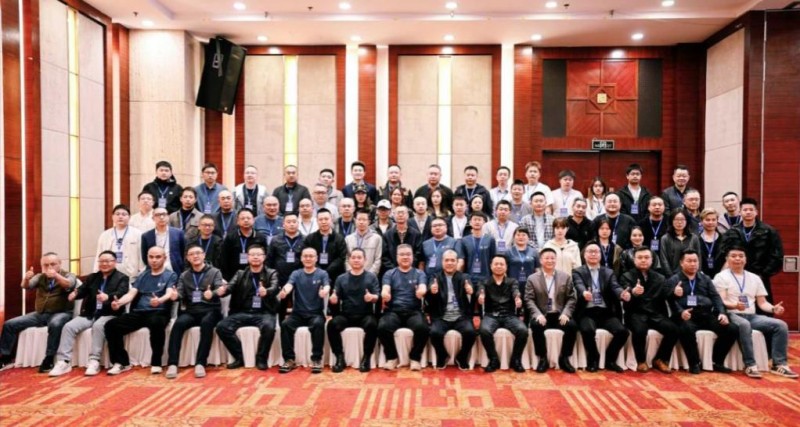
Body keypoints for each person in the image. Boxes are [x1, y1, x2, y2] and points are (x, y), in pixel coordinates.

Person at [713, 246, 798, 379]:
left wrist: (773, 308)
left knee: (780, 325)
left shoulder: (755, 278)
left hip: (752, 316)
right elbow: (722, 301)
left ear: (746, 259)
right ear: (727, 259)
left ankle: (779, 364)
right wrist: (735, 305)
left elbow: (762, 303)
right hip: (732, 314)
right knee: (744, 324)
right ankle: (750, 365)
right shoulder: (721, 277)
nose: (737, 259)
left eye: (741, 256)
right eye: (733, 256)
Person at [48, 251, 129, 377]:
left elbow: (122, 292)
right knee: (69, 327)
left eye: (108, 261)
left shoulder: (122, 278)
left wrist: (108, 297)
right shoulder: (93, 277)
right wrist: (75, 294)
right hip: (90, 313)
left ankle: (94, 360)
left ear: (115, 262)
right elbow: (82, 290)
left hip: (109, 314)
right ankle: (63, 361)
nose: (104, 264)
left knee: (98, 326)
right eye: (102, 261)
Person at [104, 246, 179, 375]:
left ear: (164, 258)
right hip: (139, 312)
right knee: (111, 325)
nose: (154, 260)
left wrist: (159, 300)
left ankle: (156, 362)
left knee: (156, 324)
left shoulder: (170, 275)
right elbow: (131, 294)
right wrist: (119, 303)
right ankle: (121, 362)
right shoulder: (143, 275)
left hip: (159, 311)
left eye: (158, 257)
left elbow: (169, 293)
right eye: (151, 257)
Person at [0, 253, 76, 372]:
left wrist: (56, 276)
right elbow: (25, 286)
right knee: (9, 324)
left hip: (62, 312)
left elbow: (69, 284)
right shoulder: (40, 276)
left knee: (55, 324)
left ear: (60, 264)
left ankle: (49, 358)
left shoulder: (68, 275)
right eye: (45, 265)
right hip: (40, 313)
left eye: (53, 264)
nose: (49, 267)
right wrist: (26, 278)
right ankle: (6, 358)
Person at [667, 249, 738, 374]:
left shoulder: (705, 279)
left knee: (731, 329)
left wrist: (722, 313)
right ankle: (694, 363)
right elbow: (670, 300)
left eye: (695, 261)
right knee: (686, 329)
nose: (693, 264)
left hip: (705, 314)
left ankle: (717, 362)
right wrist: (680, 311)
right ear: (681, 263)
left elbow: (715, 297)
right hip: (685, 315)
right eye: (689, 261)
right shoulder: (674, 279)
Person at [215, 244, 279, 370]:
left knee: (269, 327)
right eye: (252, 254)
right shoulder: (240, 274)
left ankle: (261, 358)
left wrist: (267, 291)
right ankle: (239, 357)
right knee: (222, 327)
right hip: (242, 312)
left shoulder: (272, 273)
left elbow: (275, 287)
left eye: (258, 254)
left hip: (264, 312)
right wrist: (223, 291)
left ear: (264, 257)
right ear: (247, 257)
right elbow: (230, 287)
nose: (255, 257)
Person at [165, 244, 224, 379]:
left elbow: (219, 288)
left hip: (211, 309)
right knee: (178, 324)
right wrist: (175, 296)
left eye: (198, 253)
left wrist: (213, 293)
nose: (195, 256)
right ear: (187, 258)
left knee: (206, 323)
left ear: (204, 255)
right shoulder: (184, 275)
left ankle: (200, 363)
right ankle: (172, 363)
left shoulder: (215, 272)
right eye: (191, 254)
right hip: (191, 310)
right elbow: (180, 293)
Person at [620, 247, 679, 373]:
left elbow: (666, 294)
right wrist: (633, 292)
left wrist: (675, 292)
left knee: (674, 329)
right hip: (636, 312)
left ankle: (660, 359)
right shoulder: (626, 276)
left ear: (652, 260)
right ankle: (641, 361)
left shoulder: (660, 277)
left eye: (646, 257)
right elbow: (625, 294)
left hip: (655, 314)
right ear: (634, 260)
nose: (643, 260)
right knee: (640, 330)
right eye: (640, 257)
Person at [572, 242, 628, 372]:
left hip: (604, 311)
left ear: (601, 255)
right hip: (587, 311)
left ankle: (610, 360)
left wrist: (622, 294)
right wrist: (583, 292)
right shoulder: (578, 271)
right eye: (590, 251)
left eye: (596, 252)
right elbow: (578, 284)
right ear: (584, 255)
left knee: (623, 332)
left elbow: (615, 286)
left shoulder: (608, 272)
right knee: (587, 330)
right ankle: (593, 358)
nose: (593, 254)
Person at [720, 197, 784, 308]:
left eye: (751, 210)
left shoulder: (768, 231)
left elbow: (777, 256)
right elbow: (723, 253)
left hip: (760, 276)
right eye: (745, 210)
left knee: (762, 308)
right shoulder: (732, 231)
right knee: (739, 308)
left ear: (756, 212)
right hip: (736, 277)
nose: (748, 212)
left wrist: (763, 274)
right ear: (740, 212)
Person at [277, 247, 330, 374]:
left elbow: (327, 285)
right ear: (301, 258)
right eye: (305, 256)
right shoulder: (296, 273)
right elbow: (289, 285)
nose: (308, 258)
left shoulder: (322, 273)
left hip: (316, 313)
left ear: (316, 258)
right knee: (285, 324)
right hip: (298, 313)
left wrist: (324, 292)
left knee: (318, 324)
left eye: (311, 256)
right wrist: (284, 291)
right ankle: (289, 359)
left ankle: (316, 359)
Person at [525, 248, 577, 373]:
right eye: (546, 258)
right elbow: (529, 299)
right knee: (536, 325)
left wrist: (566, 313)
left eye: (552, 258)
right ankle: (543, 358)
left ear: (556, 260)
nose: (550, 260)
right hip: (542, 314)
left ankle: (565, 358)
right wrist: (537, 314)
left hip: (559, 314)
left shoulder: (565, 277)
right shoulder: (532, 278)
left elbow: (571, 298)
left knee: (572, 326)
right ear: (541, 260)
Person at [378, 244, 429, 370]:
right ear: (397, 257)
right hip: (394, 311)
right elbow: (385, 288)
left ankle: (415, 358)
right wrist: (385, 294)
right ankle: (391, 358)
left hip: (413, 311)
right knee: (383, 327)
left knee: (423, 328)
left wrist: (421, 291)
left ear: (412, 257)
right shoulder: (390, 273)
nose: (405, 257)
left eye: (408, 254)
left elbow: (423, 287)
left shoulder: (419, 273)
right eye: (402, 254)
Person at [328, 249, 380, 372]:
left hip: (365, 315)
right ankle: (339, 357)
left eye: (359, 257)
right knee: (332, 325)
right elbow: (335, 296)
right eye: (353, 257)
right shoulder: (341, 278)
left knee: (372, 324)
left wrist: (371, 297)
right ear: (349, 260)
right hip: (346, 315)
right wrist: (333, 299)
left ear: (365, 260)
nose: (356, 260)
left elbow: (377, 296)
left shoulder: (371, 277)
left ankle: (366, 358)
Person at [426, 249, 476, 370]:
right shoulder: (435, 277)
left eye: (452, 260)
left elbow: (471, 289)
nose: (449, 263)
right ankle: (442, 355)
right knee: (434, 333)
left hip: (461, 316)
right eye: (447, 260)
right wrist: (432, 291)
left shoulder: (464, 277)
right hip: (441, 315)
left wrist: (470, 291)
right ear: (442, 262)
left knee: (470, 332)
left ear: (457, 262)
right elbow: (429, 297)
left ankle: (462, 356)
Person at [479, 255, 527, 373]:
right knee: (484, 330)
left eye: (502, 264)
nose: (499, 266)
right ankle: (493, 359)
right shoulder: (484, 281)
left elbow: (516, 291)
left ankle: (516, 360)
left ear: (506, 267)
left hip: (509, 315)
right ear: (491, 266)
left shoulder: (512, 281)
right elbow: (480, 290)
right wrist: (480, 296)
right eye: (496, 264)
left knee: (523, 330)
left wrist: (517, 298)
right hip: (491, 315)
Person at [93, 204, 144, 280]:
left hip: (131, 275)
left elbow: (141, 257)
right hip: (109, 275)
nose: (120, 217)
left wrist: (142, 275)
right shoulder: (105, 235)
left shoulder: (138, 234)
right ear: (112, 217)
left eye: (124, 214)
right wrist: (96, 273)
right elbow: (99, 255)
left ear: (129, 217)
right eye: (117, 214)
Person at [266, 212, 304, 310]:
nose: (292, 224)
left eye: (294, 222)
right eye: (288, 222)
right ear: (283, 224)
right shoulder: (275, 240)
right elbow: (269, 259)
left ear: (298, 223)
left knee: (299, 306)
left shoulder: (305, 239)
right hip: (280, 278)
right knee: (281, 306)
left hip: (299, 278)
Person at [218, 208, 267, 281]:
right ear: (237, 221)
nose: (246, 220)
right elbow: (224, 258)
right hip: (233, 276)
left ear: (253, 220)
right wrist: (225, 278)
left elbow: (266, 258)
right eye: (243, 218)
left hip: (256, 275)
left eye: (248, 218)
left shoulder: (260, 237)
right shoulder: (230, 237)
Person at [303, 208, 348, 285]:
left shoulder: (339, 238)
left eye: (326, 219)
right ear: (317, 221)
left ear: (331, 219)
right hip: (314, 274)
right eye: (320, 219)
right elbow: (306, 256)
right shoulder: (310, 238)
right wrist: (319, 271)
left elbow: (341, 257)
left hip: (335, 275)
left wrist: (327, 271)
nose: (323, 222)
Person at [140, 207, 186, 273]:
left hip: (174, 270)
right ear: (153, 218)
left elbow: (183, 252)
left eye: (164, 214)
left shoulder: (178, 233)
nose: (161, 217)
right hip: (154, 271)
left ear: (168, 217)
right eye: (158, 215)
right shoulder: (146, 236)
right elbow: (145, 257)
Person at [658, 209, 702, 278]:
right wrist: (672, 277)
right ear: (671, 221)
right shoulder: (665, 238)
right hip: (672, 276)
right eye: (676, 219)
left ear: (687, 221)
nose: (679, 222)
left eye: (682, 219)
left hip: (691, 275)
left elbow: (698, 257)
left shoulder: (694, 238)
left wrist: (695, 275)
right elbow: (664, 260)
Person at [381, 205, 423, 277]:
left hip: (412, 272)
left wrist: (408, 267)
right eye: (398, 213)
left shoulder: (416, 234)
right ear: (393, 215)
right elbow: (384, 256)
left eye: (403, 213)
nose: (400, 215)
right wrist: (394, 270)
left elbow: (418, 254)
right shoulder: (387, 235)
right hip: (392, 273)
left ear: (408, 215)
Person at [457, 212, 497, 286]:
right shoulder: (464, 240)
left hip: (486, 278)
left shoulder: (490, 239)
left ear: (484, 222)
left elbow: (493, 259)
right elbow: (462, 261)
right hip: (469, 278)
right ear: (470, 222)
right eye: (475, 220)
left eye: (479, 220)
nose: (477, 222)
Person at [507, 228, 540, 305]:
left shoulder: (534, 252)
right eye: (518, 235)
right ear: (514, 237)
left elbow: (537, 269)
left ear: (528, 237)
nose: (521, 237)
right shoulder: (508, 252)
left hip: (530, 285)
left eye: (523, 235)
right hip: (513, 285)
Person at [345, 209, 383, 275]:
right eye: (359, 219)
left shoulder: (377, 238)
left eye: (364, 220)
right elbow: (346, 259)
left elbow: (378, 259)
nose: (361, 222)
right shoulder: (348, 239)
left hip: (370, 276)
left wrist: (370, 276)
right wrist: (351, 273)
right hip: (352, 275)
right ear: (355, 220)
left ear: (369, 222)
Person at [699, 208, 724, 278]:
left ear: (717, 221)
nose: (710, 222)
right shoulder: (695, 239)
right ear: (701, 221)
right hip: (701, 277)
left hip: (721, 277)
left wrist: (721, 275)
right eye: (707, 220)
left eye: (713, 220)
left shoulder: (724, 239)